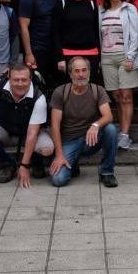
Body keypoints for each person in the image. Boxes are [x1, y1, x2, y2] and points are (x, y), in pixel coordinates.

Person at [0, 63, 52, 185]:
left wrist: (24, 165)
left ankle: (36, 162)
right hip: (5, 129)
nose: (20, 84)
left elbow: (32, 134)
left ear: (30, 79)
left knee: (47, 149)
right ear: (9, 78)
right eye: (16, 80)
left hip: (29, 132)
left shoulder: (38, 97)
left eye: (24, 80)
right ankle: (8, 164)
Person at [48, 57, 119, 188]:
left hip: (90, 139)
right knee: (58, 180)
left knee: (111, 129)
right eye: (76, 71)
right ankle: (72, 165)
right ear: (70, 74)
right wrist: (59, 155)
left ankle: (107, 172)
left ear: (89, 72)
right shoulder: (60, 92)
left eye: (84, 70)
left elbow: (108, 116)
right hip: (69, 141)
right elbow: (55, 126)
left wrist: (95, 125)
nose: (81, 74)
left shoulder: (97, 90)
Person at [98, 0, 138, 150]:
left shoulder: (129, 9)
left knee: (126, 96)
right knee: (115, 96)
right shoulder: (101, 10)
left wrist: (130, 56)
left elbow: (135, 34)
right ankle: (118, 129)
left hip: (125, 57)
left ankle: (124, 134)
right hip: (107, 58)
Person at [19, 0, 63, 89]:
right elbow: (23, 27)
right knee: (37, 88)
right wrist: (28, 54)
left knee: (54, 88)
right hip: (36, 51)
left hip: (54, 51)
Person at [53, 0, 100, 79]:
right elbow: (56, 33)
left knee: (90, 88)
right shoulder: (62, 4)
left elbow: (96, 31)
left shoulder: (91, 4)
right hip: (68, 55)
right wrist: (60, 58)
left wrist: (99, 57)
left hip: (91, 55)